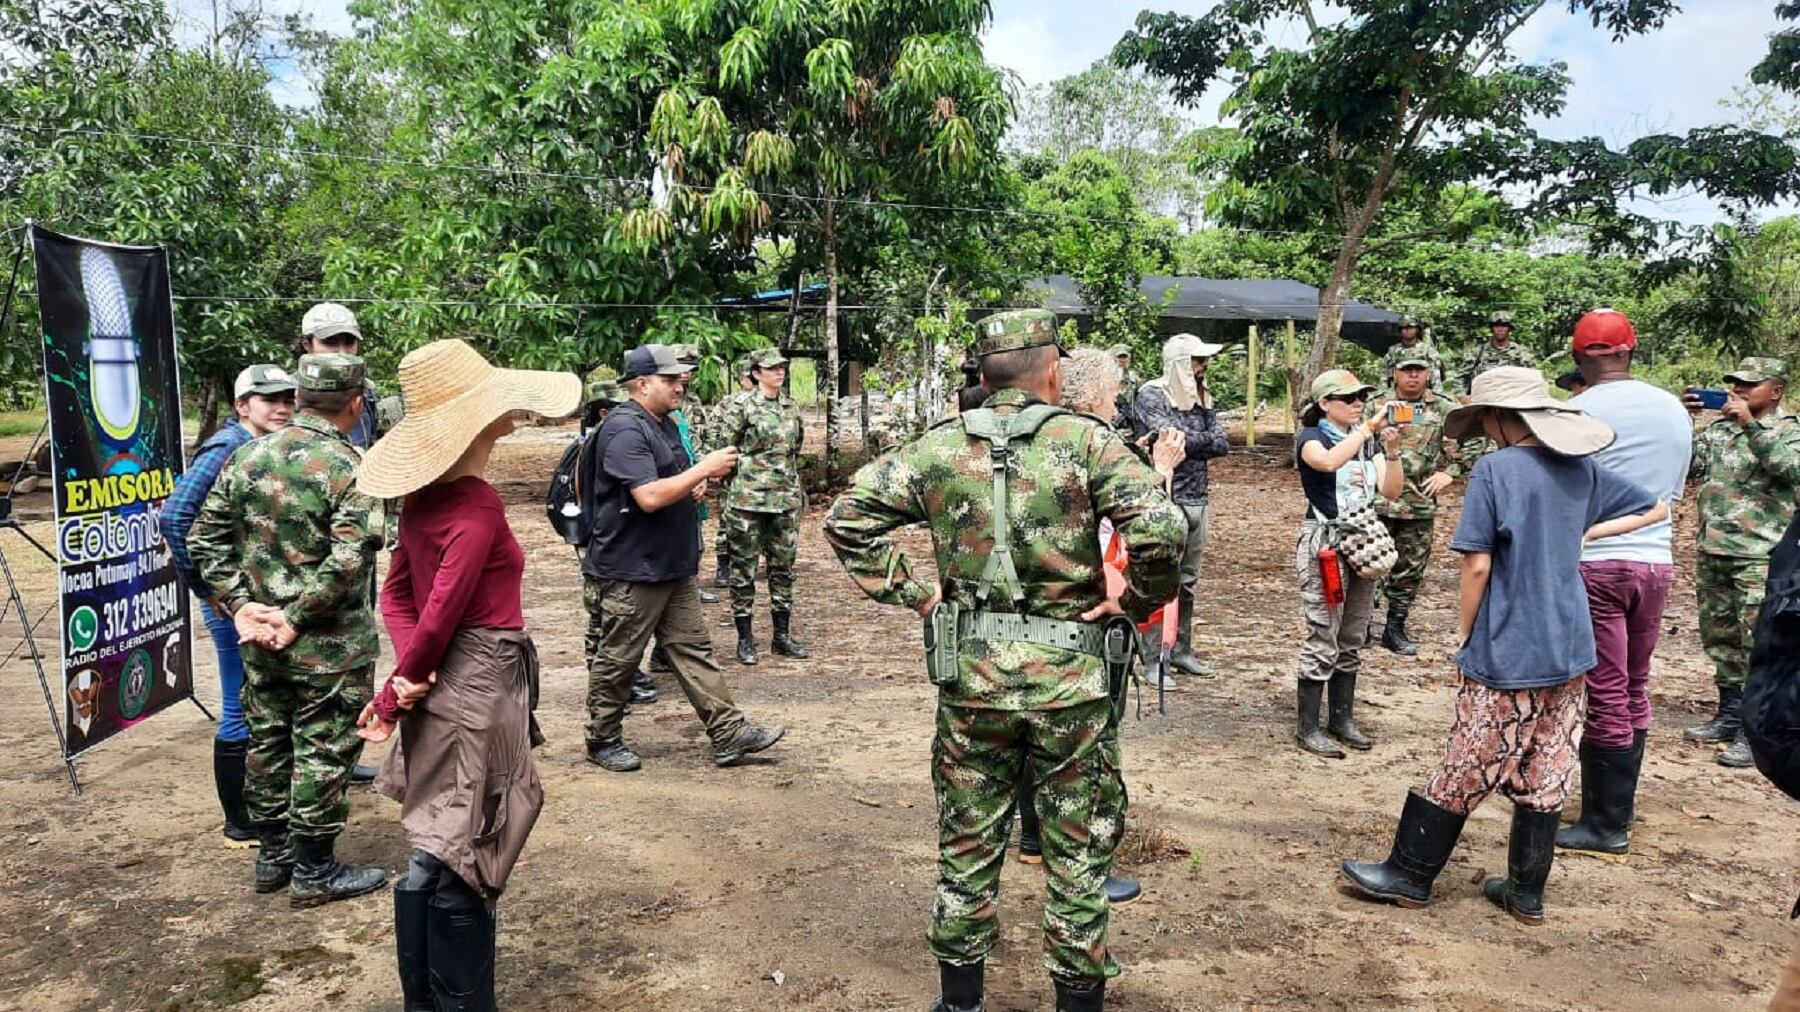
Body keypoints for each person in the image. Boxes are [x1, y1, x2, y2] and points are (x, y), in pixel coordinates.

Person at [824, 309, 1186, 1012]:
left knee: (967, 842)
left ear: (985, 378)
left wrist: (918, 594)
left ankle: (960, 1003)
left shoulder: (937, 447)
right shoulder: (1087, 442)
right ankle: (1076, 1000)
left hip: (974, 682)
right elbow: (1161, 530)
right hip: (1071, 686)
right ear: (1052, 371)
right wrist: (1134, 600)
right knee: (1077, 853)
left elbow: (847, 521)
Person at [1340, 367, 1667, 924]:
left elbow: (1477, 565)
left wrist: (1466, 633)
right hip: (1571, 642)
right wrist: (1585, 532)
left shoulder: (1495, 470)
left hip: (1510, 641)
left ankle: (1409, 874)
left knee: (1469, 756)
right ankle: (1525, 892)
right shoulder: (1582, 468)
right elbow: (1654, 506)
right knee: (1549, 762)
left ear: (1496, 418)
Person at [350, 339, 576, 1012]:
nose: (511, 415)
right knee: (472, 845)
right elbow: (440, 610)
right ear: (479, 420)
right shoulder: (476, 506)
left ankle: (426, 1002)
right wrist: (399, 686)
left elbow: (399, 598)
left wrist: (407, 678)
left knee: (436, 841)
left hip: (443, 676)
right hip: (479, 679)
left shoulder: (421, 498)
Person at [188, 354, 389, 908]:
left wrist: (241, 606)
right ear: (355, 403)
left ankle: (273, 856)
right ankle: (314, 869)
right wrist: (295, 618)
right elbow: (349, 559)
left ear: (298, 398)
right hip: (328, 646)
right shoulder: (353, 466)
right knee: (325, 747)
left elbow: (203, 538)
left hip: (261, 639)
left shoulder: (248, 456)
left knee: (269, 742)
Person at [580, 344, 785, 772]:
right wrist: (703, 469)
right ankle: (602, 738)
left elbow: (670, 480)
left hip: (671, 564)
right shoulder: (624, 429)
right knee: (619, 658)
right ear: (641, 383)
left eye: (680, 378)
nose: (680, 385)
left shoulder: (665, 424)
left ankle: (728, 733)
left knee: (693, 650)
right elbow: (649, 496)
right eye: (670, 379)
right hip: (632, 568)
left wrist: (694, 485)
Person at [1557, 310, 1691, 856]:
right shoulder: (1673, 410)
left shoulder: (1575, 411)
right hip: (1655, 563)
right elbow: (1670, 497)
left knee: (1606, 691)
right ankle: (1620, 808)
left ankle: (1604, 823)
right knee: (1635, 683)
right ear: (1630, 350)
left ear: (1577, 357)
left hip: (1599, 562)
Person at [161, 364, 296, 845]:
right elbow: (175, 517)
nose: (281, 407)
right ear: (242, 405)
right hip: (231, 602)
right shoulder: (226, 447)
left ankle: (265, 805)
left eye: (287, 398)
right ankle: (239, 820)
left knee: (263, 700)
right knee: (239, 704)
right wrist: (207, 588)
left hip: (251, 597)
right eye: (268, 399)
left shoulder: (263, 445)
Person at [1683, 356, 1800, 768]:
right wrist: (1687, 421)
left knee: (1757, 642)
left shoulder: (1789, 431)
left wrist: (1751, 425)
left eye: (1751, 384)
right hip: (1714, 548)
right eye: (1736, 383)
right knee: (1722, 640)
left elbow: (1791, 470)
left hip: (1760, 553)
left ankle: (1755, 732)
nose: (1740, 390)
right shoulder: (1721, 429)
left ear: (1776, 390)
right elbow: (1690, 467)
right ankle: (1730, 714)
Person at [294, 301, 390, 784]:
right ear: (307, 345)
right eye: (331, 342)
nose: (341, 350)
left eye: (348, 341)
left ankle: (339, 758)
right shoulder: (293, 395)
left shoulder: (366, 396)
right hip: (299, 545)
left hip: (352, 533)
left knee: (347, 653)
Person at [1293, 370, 1403, 757]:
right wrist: (1368, 429)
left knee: (1354, 632)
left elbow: (1391, 490)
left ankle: (1342, 718)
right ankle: (1308, 726)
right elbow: (1325, 464)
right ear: (1325, 403)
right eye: (1349, 398)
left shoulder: (1366, 443)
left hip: (1361, 542)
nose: (1358, 403)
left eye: (1361, 397)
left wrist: (1392, 450)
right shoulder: (1312, 438)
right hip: (1325, 541)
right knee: (1324, 630)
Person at [1131, 332, 1229, 686]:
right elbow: (1167, 439)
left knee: (1188, 583)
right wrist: (1194, 440)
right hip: (1165, 496)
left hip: (1198, 498)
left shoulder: (1204, 398)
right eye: (1197, 360)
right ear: (1179, 364)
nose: (1204, 366)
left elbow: (1221, 443)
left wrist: (1188, 440)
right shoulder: (1151, 394)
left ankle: (1181, 650)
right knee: (1158, 579)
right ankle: (1152, 658)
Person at [1364, 355, 1468, 656]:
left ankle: (1395, 628)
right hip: (1376, 501)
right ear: (1394, 373)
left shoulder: (1444, 408)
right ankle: (1361, 624)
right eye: (1406, 370)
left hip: (1418, 502)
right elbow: (1356, 440)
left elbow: (1474, 440)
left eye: (1419, 370)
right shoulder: (1375, 404)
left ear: (1428, 373)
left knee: (1409, 570)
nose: (1413, 376)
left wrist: (1450, 472)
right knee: (1367, 563)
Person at [712, 347, 809, 665]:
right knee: (744, 571)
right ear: (756, 373)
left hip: (784, 501)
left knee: (783, 570)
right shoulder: (742, 407)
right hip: (747, 501)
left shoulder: (791, 407)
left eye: (782, 367)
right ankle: (745, 639)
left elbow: (795, 449)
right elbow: (724, 449)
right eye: (772, 368)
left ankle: (781, 636)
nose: (779, 372)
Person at [711, 356, 756, 591]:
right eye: (749, 377)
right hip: (735, 472)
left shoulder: (776, 403)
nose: (752, 382)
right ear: (741, 379)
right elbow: (715, 435)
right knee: (728, 520)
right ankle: (724, 565)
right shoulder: (728, 405)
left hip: (763, 475)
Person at [1459, 310, 1537, 392]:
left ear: (1509, 328)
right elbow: (1460, 378)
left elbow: (1533, 378)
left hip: (1513, 396)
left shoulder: (1520, 353)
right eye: (1496, 326)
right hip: (1484, 396)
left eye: (1504, 326)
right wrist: (1461, 395)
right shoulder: (1478, 352)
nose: (1500, 329)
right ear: (1491, 328)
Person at [1379, 316, 1446, 391]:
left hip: (1424, 393)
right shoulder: (1392, 352)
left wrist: (1435, 394)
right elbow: (1384, 376)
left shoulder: (1428, 351)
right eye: (1404, 328)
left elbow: (1437, 377)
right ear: (1400, 330)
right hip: (1398, 393)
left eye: (1411, 327)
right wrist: (1384, 393)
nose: (1407, 330)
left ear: (1417, 329)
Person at [1107, 342, 1141, 433]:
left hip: (1129, 425)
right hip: (1110, 423)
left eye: (1125, 357)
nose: (1123, 360)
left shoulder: (1134, 378)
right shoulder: (1105, 377)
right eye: (1120, 357)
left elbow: (1138, 400)